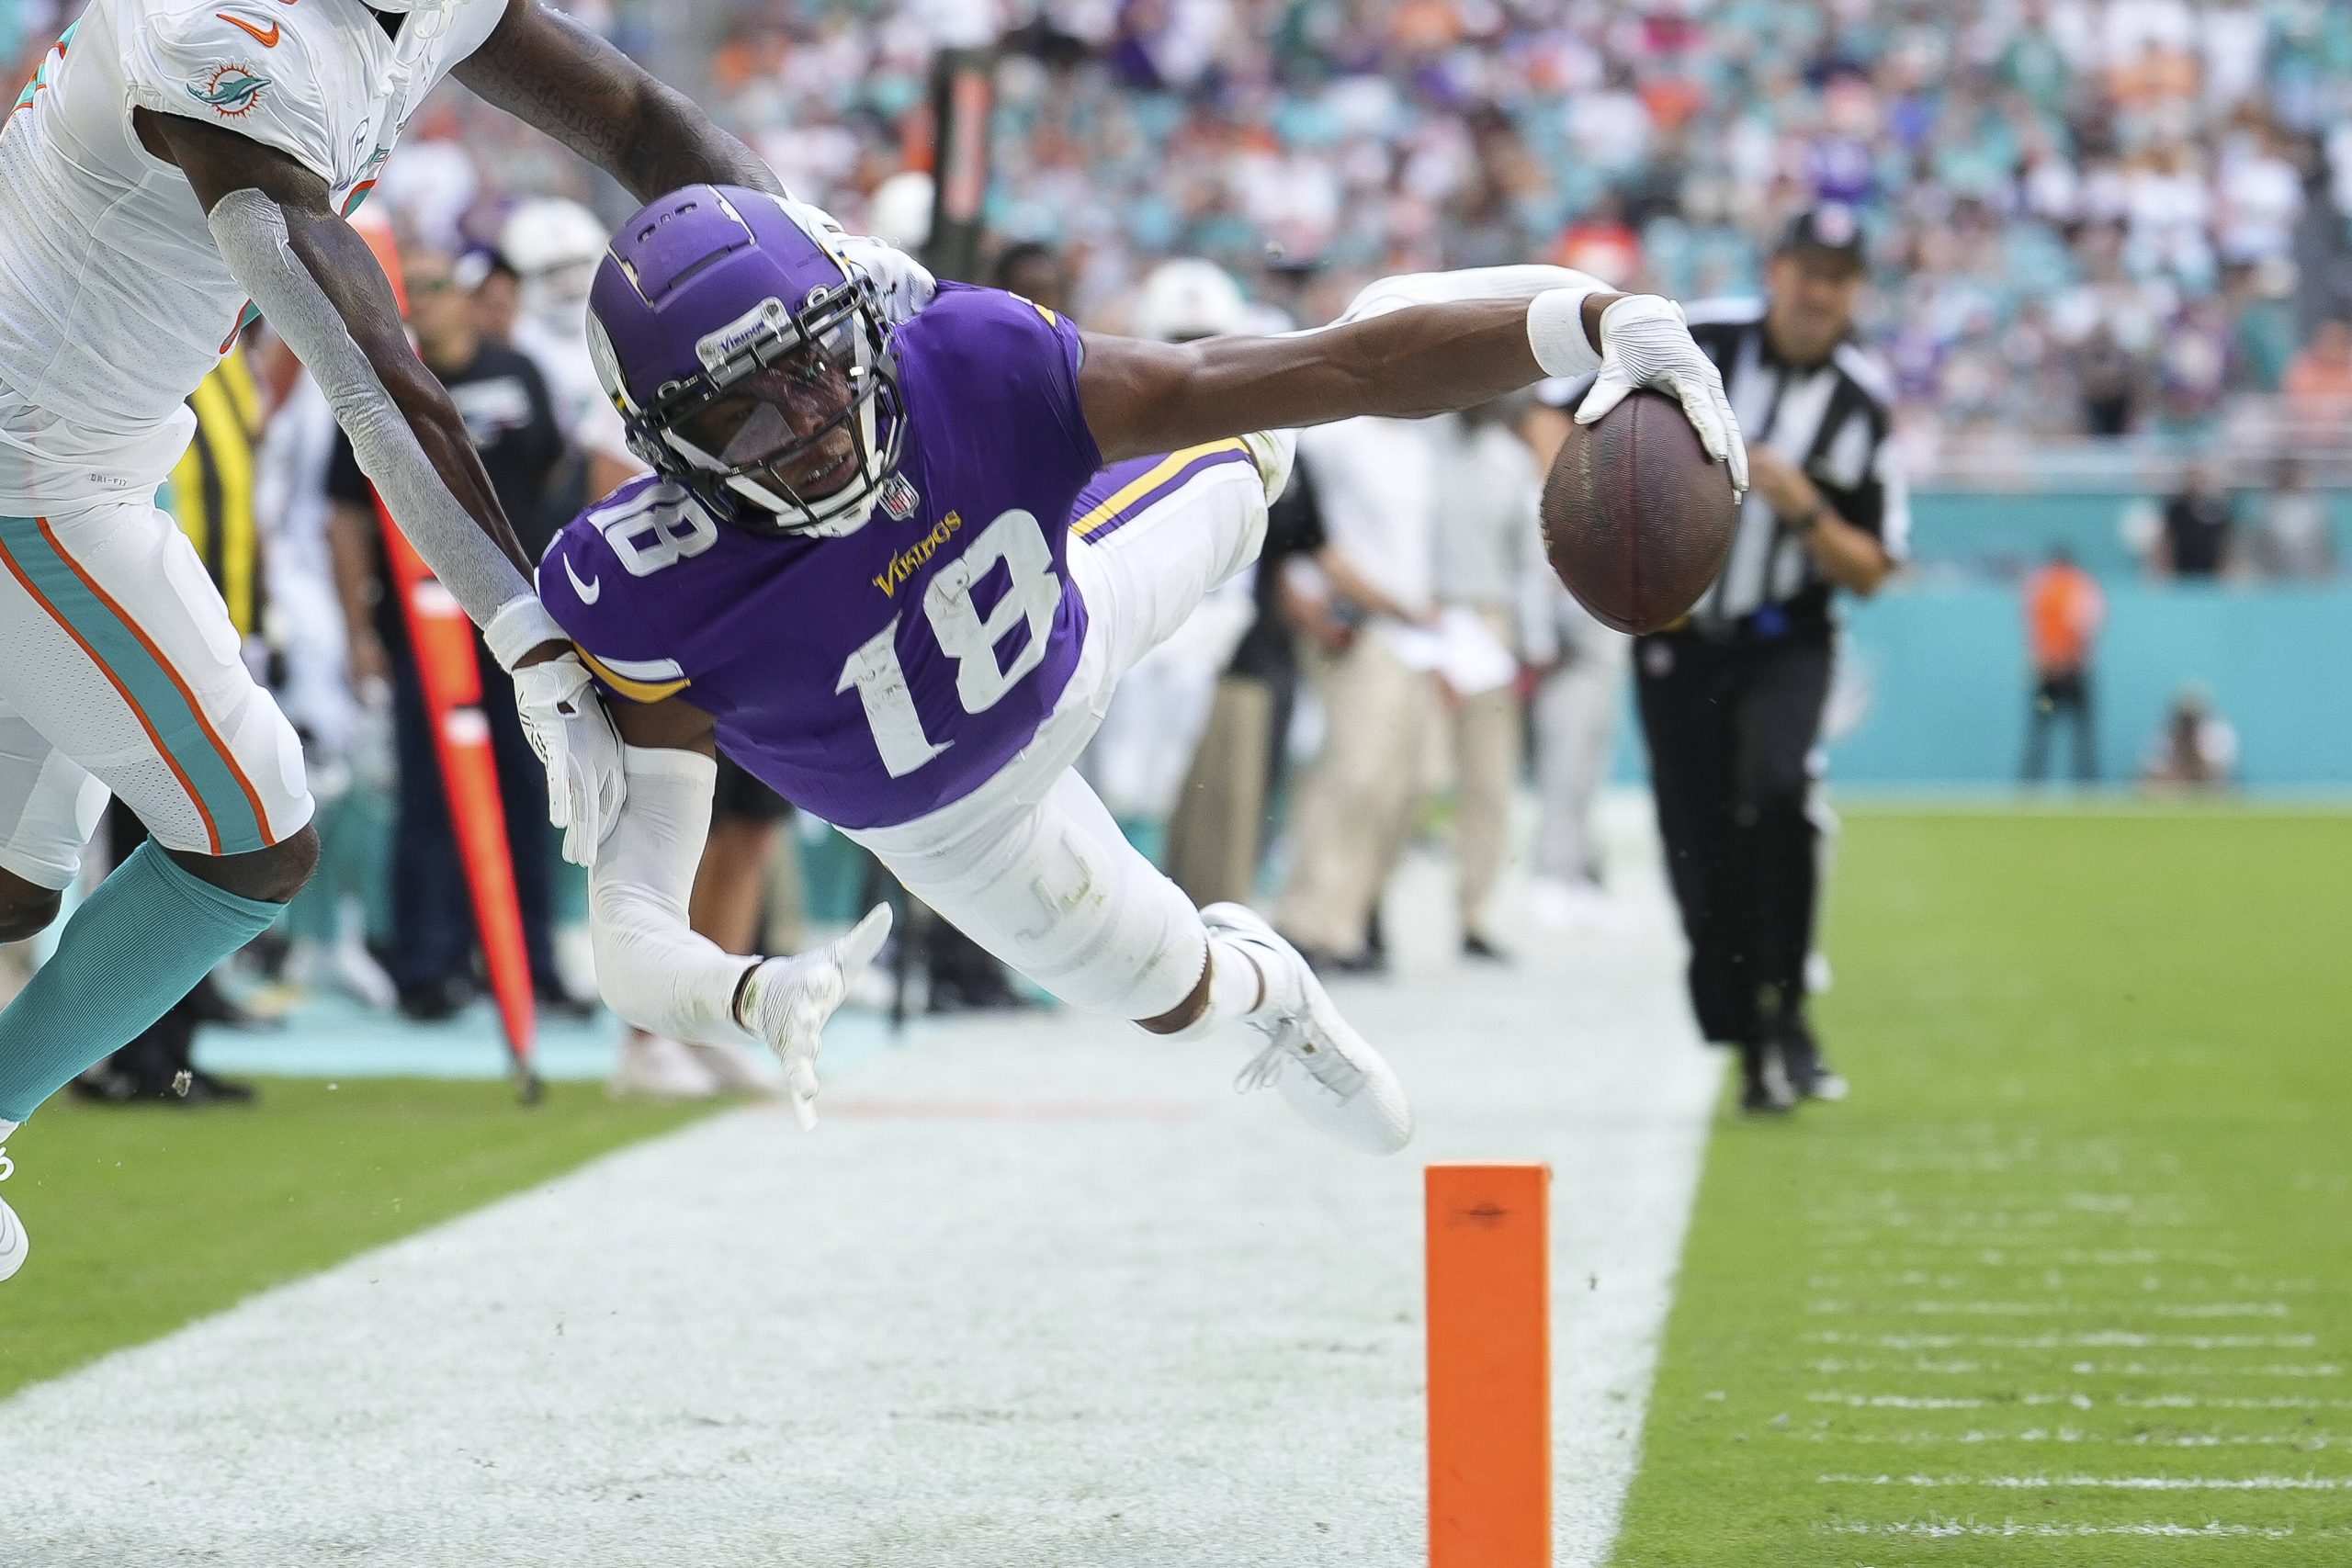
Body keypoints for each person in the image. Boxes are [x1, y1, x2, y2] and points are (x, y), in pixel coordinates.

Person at [539, 186, 1745, 1152]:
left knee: (1280, 410)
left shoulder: (970, 360)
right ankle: (1268, 988)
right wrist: (748, 994)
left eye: (808, 366)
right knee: (1173, 998)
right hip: (962, 829)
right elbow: (630, 930)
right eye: (740, 415)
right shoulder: (647, 587)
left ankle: (1429, 304)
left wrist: (1605, 319)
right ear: (659, 449)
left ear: (857, 321)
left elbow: (1350, 374)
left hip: (1085, 601)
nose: (805, 426)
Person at [0, 0, 857, 1285]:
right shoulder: (221, 40)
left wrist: (852, 285)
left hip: (98, 453)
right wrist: (530, 640)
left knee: (16, 878)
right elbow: (373, 377)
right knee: (254, 840)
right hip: (34, 472)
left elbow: (639, 119)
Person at [1630, 205, 1904, 1113]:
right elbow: (1561, 422)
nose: (1818, 292)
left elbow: (1872, 570)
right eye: (1806, 270)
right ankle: (1744, 1026)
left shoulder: (1862, 404)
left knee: (1779, 794)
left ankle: (1783, 1013)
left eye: (1838, 277)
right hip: (1678, 639)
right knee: (1698, 847)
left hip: (1786, 636)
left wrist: (1804, 509)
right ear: (1775, 269)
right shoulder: (1694, 344)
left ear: (1855, 292)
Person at [323, 246, 574, 1021]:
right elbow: (348, 515)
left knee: (528, 789)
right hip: (427, 628)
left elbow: (554, 483)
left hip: (519, 622)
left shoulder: (520, 373)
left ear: (467, 299)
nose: (420, 304)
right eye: (410, 292)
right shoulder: (381, 387)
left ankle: (532, 964)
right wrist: (361, 630)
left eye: (432, 289)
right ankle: (427, 965)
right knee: (430, 797)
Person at [1426, 402, 1553, 960]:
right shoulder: (1419, 448)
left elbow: (1529, 562)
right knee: (1407, 777)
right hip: (1424, 615)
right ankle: (1364, 910)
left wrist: (1534, 645)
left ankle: (1474, 914)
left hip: (1489, 621)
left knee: (1488, 783)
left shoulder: (1510, 461)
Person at [1517, 386, 1630, 931]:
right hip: (1561, 655)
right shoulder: (1535, 493)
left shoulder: (1592, 492)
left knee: (1586, 767)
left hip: (1599, 649)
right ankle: (1551, 877)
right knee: (1561, 770)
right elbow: (1531, 582)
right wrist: (1538, 645)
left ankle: (1581, 874)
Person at [2021, 546, 2104, 784]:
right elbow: (2088, 627)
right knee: (2075, 729)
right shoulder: (2079, 586)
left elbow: (2034, 632)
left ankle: (2033, 783)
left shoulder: (2043, 587)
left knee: (2045, 725)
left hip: (2053, 677)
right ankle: (2086, 784)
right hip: (2069, 675)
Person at [2157, 459, 2234, 578]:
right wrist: (2164, 573)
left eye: (2204, 478)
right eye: (2195, 478)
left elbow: (2225, 545)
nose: (2199, 482)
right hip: (2181, 575)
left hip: (2211, 578)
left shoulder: (2221, 511)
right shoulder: (2177, 510)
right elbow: (2167, 542)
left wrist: (2226, 574)